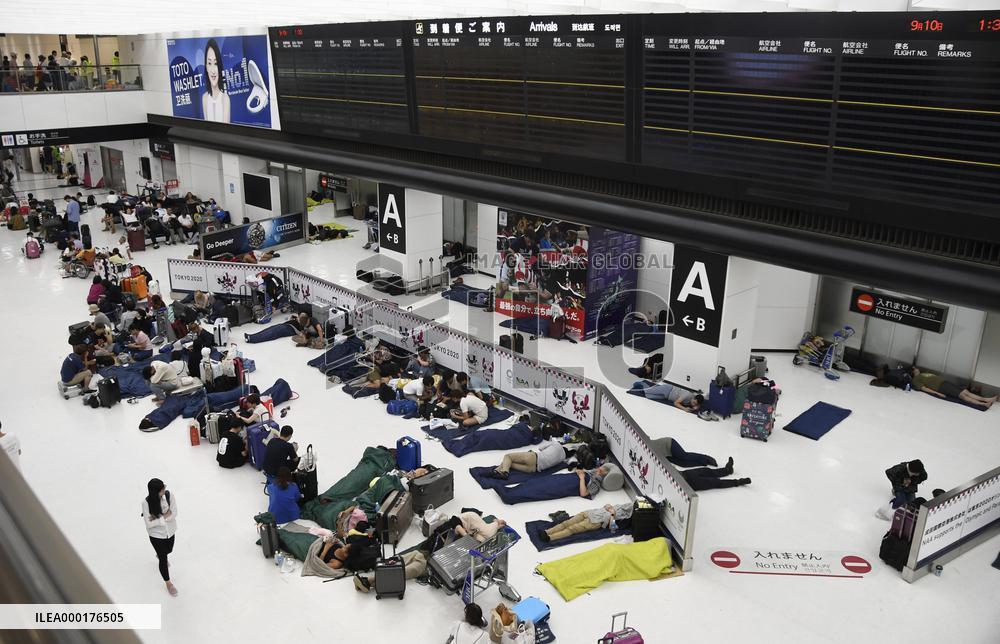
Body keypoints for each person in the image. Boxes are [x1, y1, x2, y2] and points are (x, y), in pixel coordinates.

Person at [142, 478, 178, 597]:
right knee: (163, 558)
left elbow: (174, 513)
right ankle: (168, 583)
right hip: (156, 535)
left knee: (169, 550)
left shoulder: (169, 496)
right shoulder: (146, 503)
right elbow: (149, 524)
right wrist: (164, 516)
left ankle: (161, 554)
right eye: (162, 489)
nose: (165, 490)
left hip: (170, 531)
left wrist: (156, 518)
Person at [539, 502, 634, 543]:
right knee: (566, 523)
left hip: (594, 522)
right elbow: (607, 506)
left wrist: (612, 515)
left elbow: (613, 529)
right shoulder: (622, 506)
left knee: (571, 529)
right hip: (589, 513)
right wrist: (607, 506)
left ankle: (550, 538)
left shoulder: (625, 517)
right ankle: (547, 532)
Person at [489, 430, 566, 479]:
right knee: (510, 463)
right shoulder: (563, 458)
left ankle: (504, 472)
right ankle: (497, 471)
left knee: (508, 457)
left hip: (533, 457)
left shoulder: (556, 444)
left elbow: (541, 448)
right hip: (532, 470)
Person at [910, 367, 996, 408]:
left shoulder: (923, 374)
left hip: (945, 382)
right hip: (941, 387)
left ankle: (986, 399)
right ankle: (983, 404)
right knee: (963, 396)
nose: (917, 369)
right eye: (915, 369)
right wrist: (938, 393)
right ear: (913, 372)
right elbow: (924, 389)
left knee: (966, 392)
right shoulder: (916, 380)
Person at [628, 380, 704, 413]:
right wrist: (684, 409)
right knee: (646, 391)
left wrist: (695, 408)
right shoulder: (687, 395)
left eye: (695, 404)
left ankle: (652, 388)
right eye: (693, 402)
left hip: (666, 397)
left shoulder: (696, 401)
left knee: (648, 396)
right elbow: (676, 403)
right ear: (693, 398)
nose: (693, 404)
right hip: (668, 389)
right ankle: (641, 383)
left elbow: (698, 405)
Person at [201, 39, 230, 123]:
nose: (213, 71)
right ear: (206, 67)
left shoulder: (225, 99)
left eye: (216, 64)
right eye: (209, 63)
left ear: (219, 67)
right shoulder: (204, 98)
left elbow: (226, 131)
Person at [680, 458, 750, 491]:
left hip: (684, 473)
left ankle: (727, 470)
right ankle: (737, 482)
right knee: (714, 482)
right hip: (687, 484)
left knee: (706, 470)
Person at [649, 436, 719, 469]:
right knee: (683, 464)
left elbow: (646, 437)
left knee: (684, 456)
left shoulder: (643, 442)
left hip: (668, 443)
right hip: (665, 455)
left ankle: (706, 458)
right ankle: (703, 462)